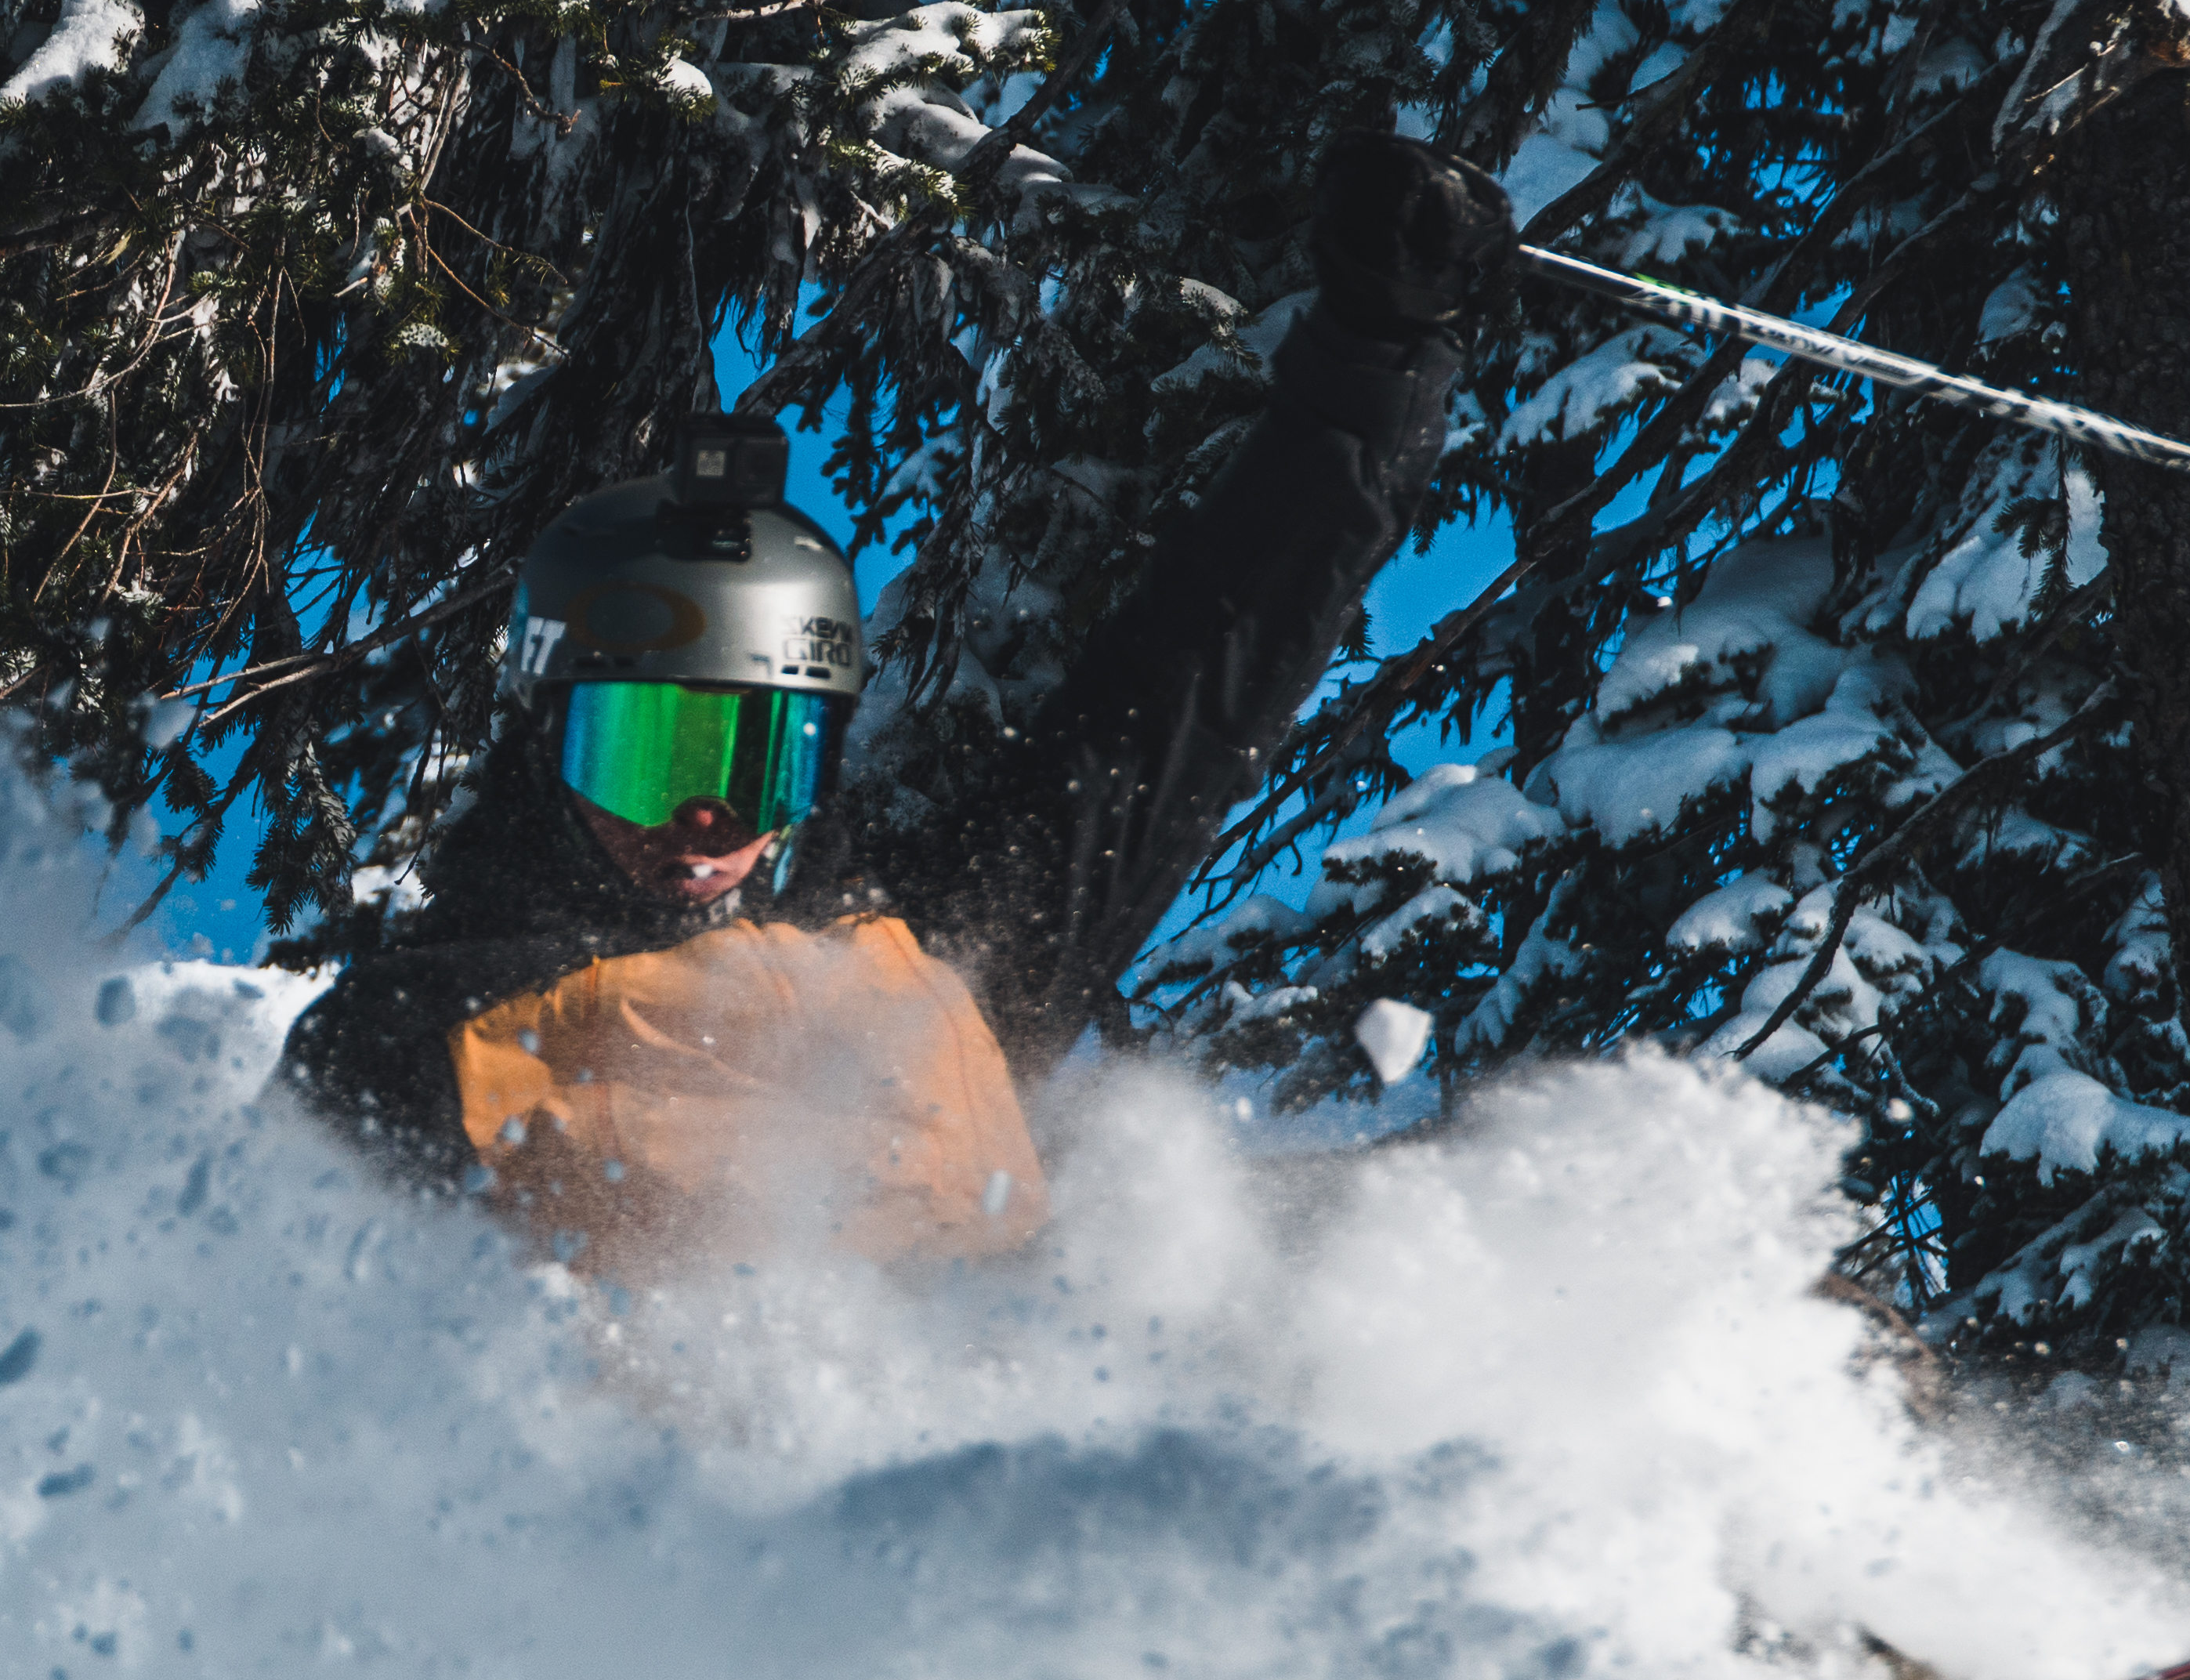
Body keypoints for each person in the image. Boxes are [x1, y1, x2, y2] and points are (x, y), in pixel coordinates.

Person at [277, 133, 1510, 1287]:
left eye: (759, 766)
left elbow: (1189, 682)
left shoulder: (942, 957)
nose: (705, 820)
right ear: (554, 750)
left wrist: (1380, 360)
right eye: (652, 756)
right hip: (642, 1426)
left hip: (995, 1401)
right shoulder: (411, 1036)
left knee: (1385, 1224)